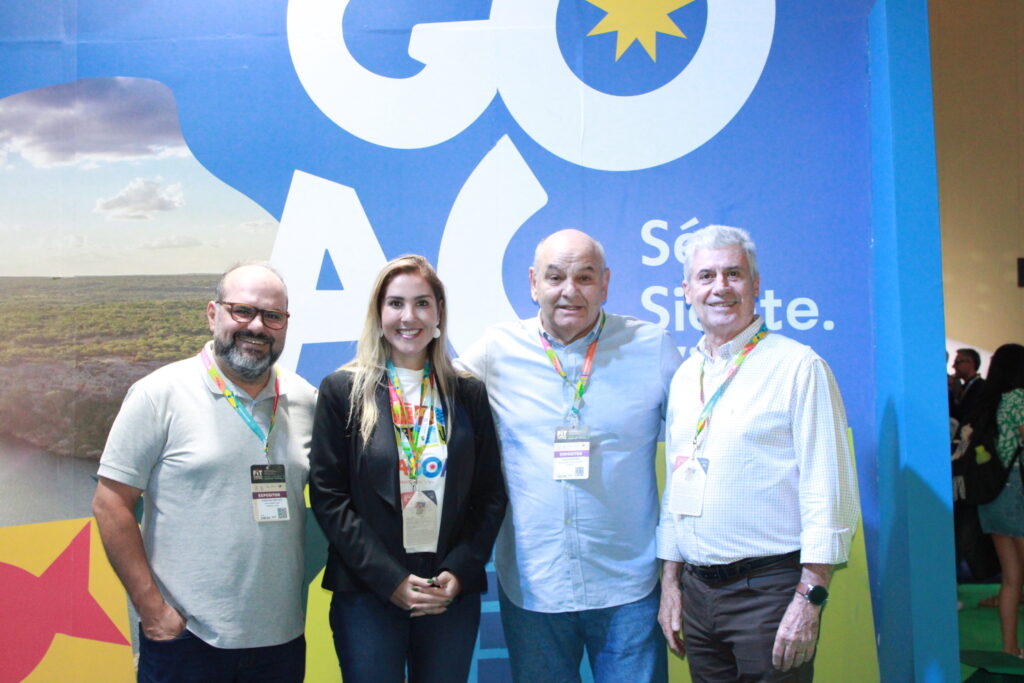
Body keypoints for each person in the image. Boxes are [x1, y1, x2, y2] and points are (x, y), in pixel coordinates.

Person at [457, 229, 681, 682]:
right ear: (533, 282)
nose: (569, 291)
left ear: (605, 283)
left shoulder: (652, 346)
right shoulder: (496, 350)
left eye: (584, 277)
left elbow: (695, 447)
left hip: (629, 585)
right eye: (555, 277)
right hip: (535, 585)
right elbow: (427, 394)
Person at [92, 263, 316, 681]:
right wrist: (153, 611)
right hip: (187, 640)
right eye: (242, 310)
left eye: (272, 316)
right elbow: (110, 504)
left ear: (285, 324)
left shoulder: (305, 400)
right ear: (213, 313)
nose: (257, 326)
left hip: (281, 640)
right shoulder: (158, 394)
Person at [656, 225, 860, 681]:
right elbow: (678, 486)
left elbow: (828, 492)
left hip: (768, 595)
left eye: (734, 274)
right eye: (706, 276)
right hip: (697, 595)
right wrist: (670, 585)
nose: (720, 287)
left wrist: (810, 598)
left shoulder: (798, 367)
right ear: (686, 290)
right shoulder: (687, 376)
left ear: (756, 285)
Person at [309, 254, 506, 683]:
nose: (409, 317)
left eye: (422, 303)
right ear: (378, 314)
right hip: (367, 592)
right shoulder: (342, 391)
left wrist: (459, 570)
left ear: (438, 314)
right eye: (396, 303)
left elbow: (490, 495)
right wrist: (391, 580)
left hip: (447, 593)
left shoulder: (468, 393)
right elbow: (329, 497)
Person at [972, 344, 1024, 654]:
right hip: (1017, 488)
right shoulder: (1020, 398)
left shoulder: (988, 401)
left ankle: (1011, 649)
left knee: (1011, 579)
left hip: (992, 493)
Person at [952, 347, 986, 425]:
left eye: (957, 362)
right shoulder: (966, 385)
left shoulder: (980, 387)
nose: (953, 366)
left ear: (970, 363)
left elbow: (962, 414)